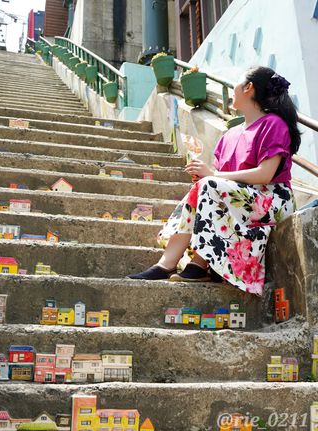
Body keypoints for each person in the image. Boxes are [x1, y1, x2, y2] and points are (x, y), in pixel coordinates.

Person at [127, 66, 300, 295]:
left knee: (208, 185)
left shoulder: (273, 124)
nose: (234, 88)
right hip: (242, 197)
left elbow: (265, 174)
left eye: (238, 83)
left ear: (249, 88)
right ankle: (165, 264)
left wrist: (213, 176)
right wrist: (205, 175)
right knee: (203, 186)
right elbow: (221, 178)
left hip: (271, 197)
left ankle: (198, 264)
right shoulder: (229, 134)